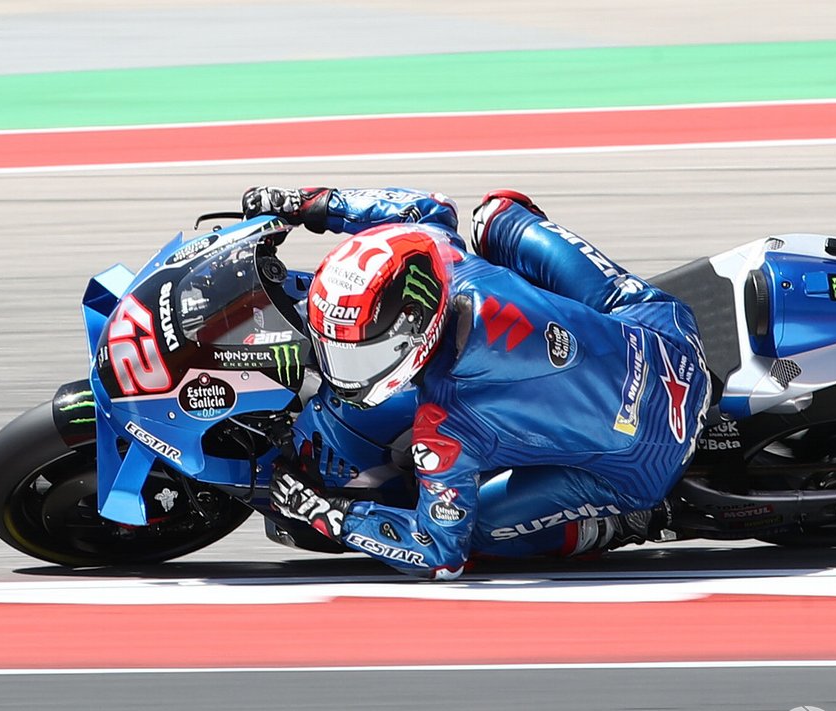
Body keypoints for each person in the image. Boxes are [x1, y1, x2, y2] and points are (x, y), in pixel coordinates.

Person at [242, 185, 710, 579]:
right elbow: (428, 207)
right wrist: (311, 203)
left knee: (476, 530)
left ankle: (626, 522)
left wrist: (329, 515)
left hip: (646, 462)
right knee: (496, 213)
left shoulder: (445, 428)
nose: (342, 370)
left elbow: (439, 553)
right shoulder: (438, 247)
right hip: (664, 328)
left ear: (413, 329)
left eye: (359, 353)